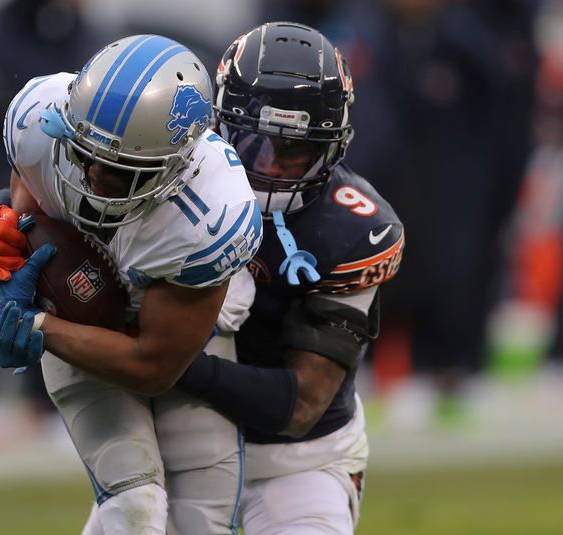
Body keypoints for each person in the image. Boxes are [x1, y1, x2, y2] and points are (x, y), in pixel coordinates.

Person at [0, 34, 262, 534]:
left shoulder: (211, 216)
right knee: (135, 507)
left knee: (203, 525)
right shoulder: (40, 122)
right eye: (86, 155)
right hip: (83, 329)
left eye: (122, 171)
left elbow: (153, 365)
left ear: (175, 166)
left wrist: (40, 326)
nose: (96, 178)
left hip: (186, 345)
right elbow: (29, 229)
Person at [169, 22, 403, 533]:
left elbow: (301, 403)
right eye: (255, 141)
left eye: (293, 150)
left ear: (331, 148)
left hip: (298, 462)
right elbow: (52, 175)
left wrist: (162, 359)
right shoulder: (174, 165)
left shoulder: (351, 228)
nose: (271, 166)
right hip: (176, 440)